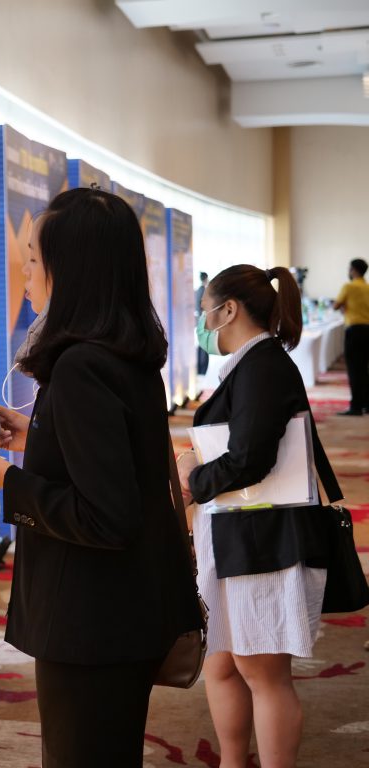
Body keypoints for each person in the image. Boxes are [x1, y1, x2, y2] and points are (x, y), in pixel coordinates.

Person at [0, 187, 202, 766]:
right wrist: (36, 438)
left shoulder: (83, 365)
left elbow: (106, 516)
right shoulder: (123, 353)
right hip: (124, 614)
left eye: (34, 259)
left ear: (72, 269)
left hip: (93, 623)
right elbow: (119, 461)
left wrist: (3, 480)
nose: (26, 274)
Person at [177, 265, 330, 768]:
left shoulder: (263, 366)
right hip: (238, 533)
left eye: (204, 310)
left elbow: (250, 459)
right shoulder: (249, 365)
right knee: (222, 665)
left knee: (263, 674)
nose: (201, 321)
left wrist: (193, 477)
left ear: (229, 310)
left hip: (264, 541)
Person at [333, 258, 369, 415]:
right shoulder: (367, 287)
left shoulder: (349, 286)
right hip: (368, 329)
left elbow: (336, 305)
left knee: (355, 369)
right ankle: (367, 404)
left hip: (355, 330)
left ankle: (356, 406)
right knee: (366, 368)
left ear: (353, 270)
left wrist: (344, 307)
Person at [196, 271, 210, 375]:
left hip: (201, 321)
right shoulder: (203, 291)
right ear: (205, 279)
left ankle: (201, 369)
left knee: (202, 344)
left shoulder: (199, 291)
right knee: (204, 345)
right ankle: (202, 369)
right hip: (204, 321)